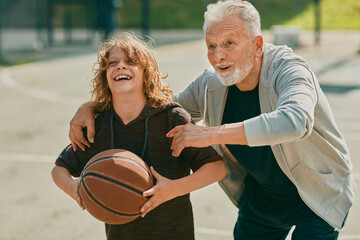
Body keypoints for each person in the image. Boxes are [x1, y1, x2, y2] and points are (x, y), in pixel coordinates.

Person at [68, 1, 356, 239]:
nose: (219, 55)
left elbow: (295, 121)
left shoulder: (289, 70)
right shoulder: (211, 83)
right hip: (263, 197)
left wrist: (210, 134)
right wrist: (95, 105)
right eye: (211, 46)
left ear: (257, 45)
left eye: (229, 43)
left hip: (317, 192)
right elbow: (156, 110)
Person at [52, 32, 226, 240]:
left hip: (174, 233)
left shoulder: (171, 119)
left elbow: (216, 168)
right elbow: (59, 169)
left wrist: (172, 189)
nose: (120, 66)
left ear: (147, 73)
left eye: (131, 62)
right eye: (112, 63)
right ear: (105, 76)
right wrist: (74, 188)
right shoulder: (97, 128)